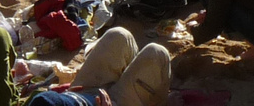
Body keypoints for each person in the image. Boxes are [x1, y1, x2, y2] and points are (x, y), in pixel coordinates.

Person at [23, 27, 171, 106]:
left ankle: (126, 85)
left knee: (118, 36)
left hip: (82, 94)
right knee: (157, 53)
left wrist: (67, 95)